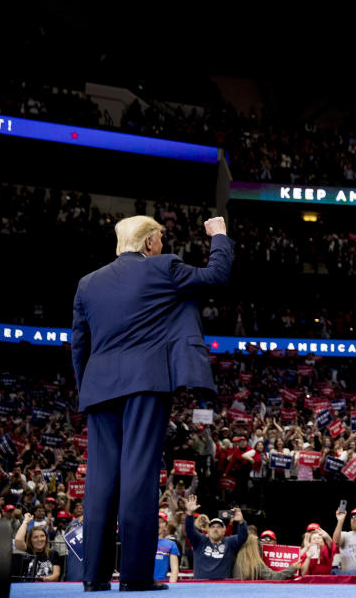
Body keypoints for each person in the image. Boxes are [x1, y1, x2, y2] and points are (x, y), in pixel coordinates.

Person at [71, 214, 233, 591]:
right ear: (148, 244)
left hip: (99, 388)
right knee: (138, 475)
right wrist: (220, 236)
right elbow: (215, 277)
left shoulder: (87, 283)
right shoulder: (163, 267)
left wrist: (87, 390)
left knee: (99, 480)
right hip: (145, 383)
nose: (162, 244)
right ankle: (135, 576)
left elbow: (79, 344)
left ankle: (93, 578)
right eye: (160, 238)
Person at [183, 495, 248, 579]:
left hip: (223, 587)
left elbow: (243, 536)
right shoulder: (200, 541)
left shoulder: (229, 542)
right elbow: (189, 530)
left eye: (219, 527)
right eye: (212, 527)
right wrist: (189, 514)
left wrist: (241, 522)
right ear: (208, 531)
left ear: (224, 531)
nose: (215, 529)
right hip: (200, 586)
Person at [232, 526, 299, 580]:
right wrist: (292, 568)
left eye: (269, 539)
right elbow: (273, 577)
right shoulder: (254, 561)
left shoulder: (235, 558)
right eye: (260, 541)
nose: (265, 542)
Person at [14, 516, 61, 581]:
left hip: (46, 587)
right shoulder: (26, 552)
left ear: (46, 538)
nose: (40, 539)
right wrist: (26, 521)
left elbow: (56, 575)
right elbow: (18, 540)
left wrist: (44, 579)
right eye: (35, 537)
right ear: (30, 540)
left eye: (42, 536)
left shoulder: (53, 553)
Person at [154, 517, 179, 584]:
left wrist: (172, 585)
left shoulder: (171, 544)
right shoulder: (142, 542)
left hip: (161, 584)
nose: (158, 524)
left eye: (161, 522)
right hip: (144, 584)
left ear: (166, 527)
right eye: (156, 521)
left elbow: (175, 569)